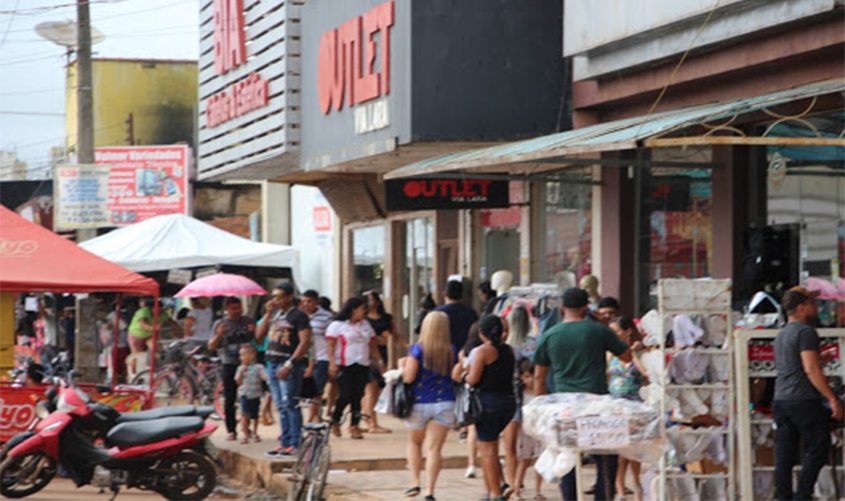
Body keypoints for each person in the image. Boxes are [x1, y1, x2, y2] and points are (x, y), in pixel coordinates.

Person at [533, 287, 632, 501]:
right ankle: (602, 497)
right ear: (587, 307)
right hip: (597, 404)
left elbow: (539, 378)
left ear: (562, 308)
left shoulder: (549, 335)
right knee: (606, 458)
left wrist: (541, 408)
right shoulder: (598, 331)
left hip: (564, 406)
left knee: (567, 457)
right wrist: (605, 326)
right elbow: (626, 356)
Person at [773, 286, 843, 501]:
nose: (816, 307)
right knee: (817, 449)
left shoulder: (782, 334)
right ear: (801, 307)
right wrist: (832, 398)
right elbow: (810, 369)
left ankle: (783, 496)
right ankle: (802, 496)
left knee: (784, 456)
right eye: (811, 303)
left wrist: (821, 359)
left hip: (781, 401)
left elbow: (795, 365)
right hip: (803, 400)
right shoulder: (806, 332)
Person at [453, 314, 516, 501]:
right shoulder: (509, 350)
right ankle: (498, 487)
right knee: (493, 446)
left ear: (481, 333)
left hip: (488, 402)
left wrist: (462, 376)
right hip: (508, 402)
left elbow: (472, 379)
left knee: (488, 450)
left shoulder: (482, 351)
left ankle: (495, 493)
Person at [401, 311, 457, 501]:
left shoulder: (417, 350)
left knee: (414, 442)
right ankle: (429, 491)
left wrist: (402, 367)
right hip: (445, 403)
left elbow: (409, 377)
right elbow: (456, 376)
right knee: (434, 449)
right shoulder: (452, 350)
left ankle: (414, 482)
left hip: (419, 402)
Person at [257, 283, 312, 457]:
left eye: (279, 297)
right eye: (273, 297)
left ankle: (295, 443)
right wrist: (267, 314)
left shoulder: (299, 316)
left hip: (287, 364)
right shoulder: (275, 315)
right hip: (272, 362)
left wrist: (290, 364)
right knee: (280, 406)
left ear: (289, 297)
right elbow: (259, 336)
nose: (275, 300)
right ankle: (285, 441)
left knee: (290, 403)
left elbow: (305, 342)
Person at [326, 297, 385, 439]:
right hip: (345, 364)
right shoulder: (337, 325)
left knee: (358, 396)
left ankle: (354, 425)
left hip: (362, 363)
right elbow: (330, 345)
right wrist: (332, 363)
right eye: (362, 309)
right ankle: (335, 419)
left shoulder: (365, 325)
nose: (365, 312)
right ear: (354, 309)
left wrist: (380, 360)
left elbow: (372, 344)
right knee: (346, 394)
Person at [608, 316, 647, 500]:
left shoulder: (639, 351)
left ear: (628, 331)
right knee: (619, 450)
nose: (613, 335)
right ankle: (620, 487)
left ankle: (637, 483)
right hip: (615, 406)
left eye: (616, 331)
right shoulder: (611, 352)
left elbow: (645, 372)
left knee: (634, 449)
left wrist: (632, 354)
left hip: (634, 405)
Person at [209, 296, 256, 441]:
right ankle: (231, 430)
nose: (237, 311)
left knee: (251, 396)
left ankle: (249, 429)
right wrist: (219, 334)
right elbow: (211, 346)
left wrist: (254, 331)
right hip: (229, 363)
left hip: (248, 364)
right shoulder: (219, 323)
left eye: (239, 307)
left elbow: (258, 341)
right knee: (230, 398)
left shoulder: (248, 321)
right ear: (226, 309)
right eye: (233, 308)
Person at [299, 289, 334, 423]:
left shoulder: (327, 317)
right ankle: (315, 417)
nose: (306, 304)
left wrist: (332, 361)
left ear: (317, 301)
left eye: (309, 301)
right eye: (304, 301)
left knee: (317, 391)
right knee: (302, 391)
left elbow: (332, 340)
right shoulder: (299, 316)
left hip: (321, 357)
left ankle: (310, 420)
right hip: (302, 359)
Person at [363, 290, 396, 434]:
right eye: (368, 301)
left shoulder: (386, 318)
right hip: (367, 356)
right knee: (371, 388)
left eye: (373, 300)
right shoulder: (363, 320)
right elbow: (370, 339)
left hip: (382, 354)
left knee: (375, 389)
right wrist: (379, 339)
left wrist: (408, 345)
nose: (371, 303)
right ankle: (372, 422)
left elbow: (393, 335)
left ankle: (368, 418)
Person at [513, 358, 544, 501]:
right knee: (524, 460)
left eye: (531, 376)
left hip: (540, 429)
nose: (529, 380)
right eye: (526, 377)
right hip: (525, 429)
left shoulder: (543, 391)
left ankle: (537, 491)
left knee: (539, 460)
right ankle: (516, 490)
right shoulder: (520, 392)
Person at [460, 323, 483, 479]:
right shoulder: (488, 351)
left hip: (469, 393)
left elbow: (462, 370)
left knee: (473, 429)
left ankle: (471, 463)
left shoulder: (464, 352)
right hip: (483, 391)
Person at [235, 345, 268, 444]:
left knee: (255, 415)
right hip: (244, 394)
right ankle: (245, 434)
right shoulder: (240, 368)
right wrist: (241, 372)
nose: (242, 358)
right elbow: (238, 381)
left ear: (252, 356)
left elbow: (264, 377)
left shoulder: (258, 367)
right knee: (244, 415)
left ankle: (254, 432)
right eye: (241, 355)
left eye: (244, 355)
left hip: (255, 394)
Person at [434, 280, 479, 351]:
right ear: (461, 294)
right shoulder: (471, 313)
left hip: (443, 353)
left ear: (444, 294)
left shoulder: (437, 312)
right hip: (466, 352)